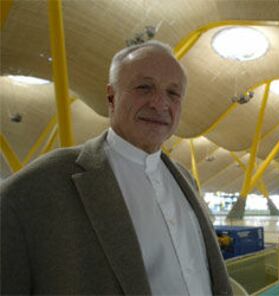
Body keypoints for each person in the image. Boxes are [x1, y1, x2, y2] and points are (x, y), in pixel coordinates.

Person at [1, 40, 232, 295]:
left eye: (173, 93)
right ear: (111, 97)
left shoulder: (185, 179)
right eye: (144, 87)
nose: (160, 103)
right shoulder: (42, 185)